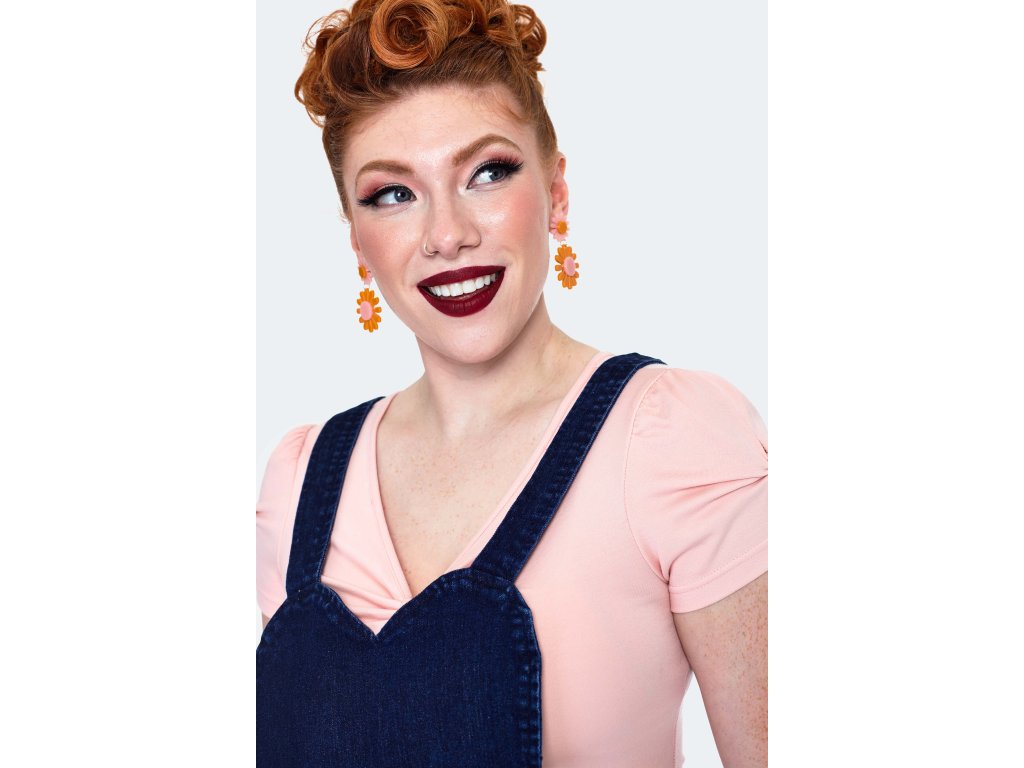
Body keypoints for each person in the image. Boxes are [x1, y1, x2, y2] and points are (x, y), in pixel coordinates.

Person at [255, 0, 767, 765]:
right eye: (392, 193)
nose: (447, 235)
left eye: (487, 173)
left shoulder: (670, 440)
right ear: (358, 240)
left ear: (557, 193)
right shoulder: (299, 481)